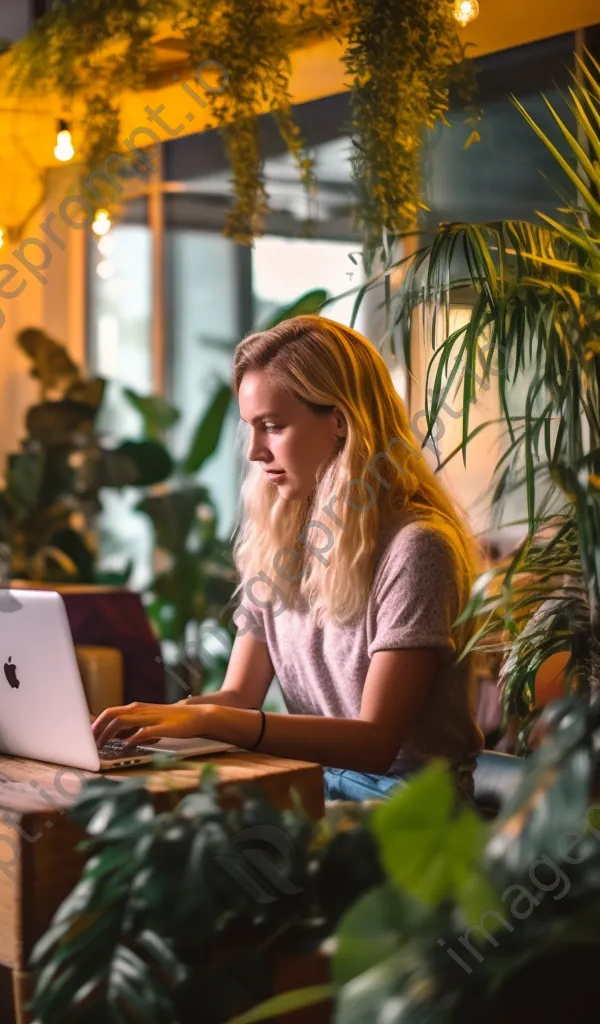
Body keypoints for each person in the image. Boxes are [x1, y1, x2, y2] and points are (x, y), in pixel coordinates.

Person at [92, 315, 484, 801]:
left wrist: (212, 719)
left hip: (407, 803)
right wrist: (148, 726)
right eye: (251, 429)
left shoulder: (417, 547)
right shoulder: (278, 541)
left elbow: (377, 742)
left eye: (272, 427)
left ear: (341, 422)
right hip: (314, 782)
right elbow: (239, 696)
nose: (255, 452)